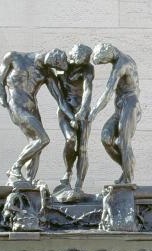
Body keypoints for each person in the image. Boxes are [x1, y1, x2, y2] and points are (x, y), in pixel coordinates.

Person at [0, 48, 68, 185]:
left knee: (35, 146)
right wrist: (1, 96)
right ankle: (15, 168)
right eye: (56, 61)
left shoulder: (47, 73)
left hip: (32, 109)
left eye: (56, 65)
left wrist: (73, 115)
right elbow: (0, 80)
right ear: (52, 52)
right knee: (43, 139)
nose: (53, 65)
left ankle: (29, 182)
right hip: (17, 106)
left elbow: (60, 99)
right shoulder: (14, 57)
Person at [89, 43, 141, 184]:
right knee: (106, 138)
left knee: (123, 142)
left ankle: (127, 180)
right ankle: (127, 168)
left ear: (109, 54)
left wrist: (94, 111)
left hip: (130, 105)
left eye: (103, 61)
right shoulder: (117, 60)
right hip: (120, 108)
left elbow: (108, 91)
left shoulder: (122, 64)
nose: (103, 64)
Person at [54, 43, 95, 201]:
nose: (82, 62)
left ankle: (78, 184)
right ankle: (68, 171)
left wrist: (83, 110)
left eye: (84, 60)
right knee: (70, 139)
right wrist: (71, 115)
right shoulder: (60, 68)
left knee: (83, 148)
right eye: (79, 59)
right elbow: (58, 95)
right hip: (65, 109)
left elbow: (88, 90)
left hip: (82, 110)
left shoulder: (87, 69)